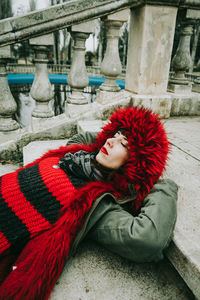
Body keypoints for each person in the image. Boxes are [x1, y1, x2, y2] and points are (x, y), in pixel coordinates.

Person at [0, 106, 177, 300]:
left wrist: (159, 184)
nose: (110, 141)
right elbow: (87, 138)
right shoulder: (78, 156)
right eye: (114, 134)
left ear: (134, 163)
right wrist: (111, 136)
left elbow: (146, 238)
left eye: (124, 144)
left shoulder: (95, 201)